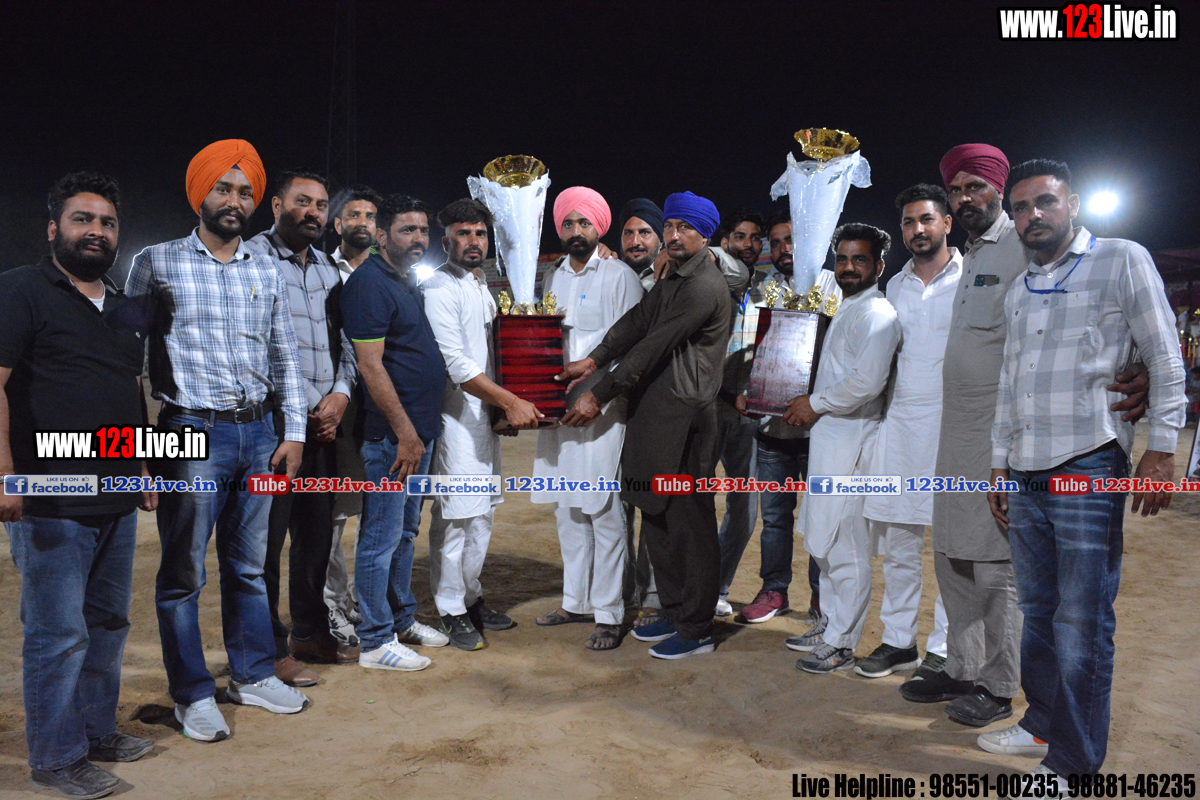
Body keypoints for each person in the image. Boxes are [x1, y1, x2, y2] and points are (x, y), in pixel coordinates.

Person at [987, 159, 1185, 782]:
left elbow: (1164, 355)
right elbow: (1009, 382)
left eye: (1045, 202)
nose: (1032, 216)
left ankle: (1073, 766)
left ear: (1072, 203)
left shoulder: (1121, 259)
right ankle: (1041, 723)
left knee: (1082, 621)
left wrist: (1162, 447)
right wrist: (998, 464)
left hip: (1090, 463)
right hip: (1025, 470)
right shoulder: (1020, 288)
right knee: (1039, 611)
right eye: (1021, 208)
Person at [126, 139, 310, 742]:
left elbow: (283, 354)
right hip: (188, 431)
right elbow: (129, 364)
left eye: (245, 192)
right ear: (199, 194)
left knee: (249, 566)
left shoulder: (265, 267)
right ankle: (192, 693)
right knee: (184, 573)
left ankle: (251, 675)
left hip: (259, 433)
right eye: (223, 189)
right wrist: (138, 452)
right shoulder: (156, 262)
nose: (235, 201)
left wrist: (293, 432)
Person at [0, 173, 155, 799]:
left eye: (107, 223)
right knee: (58, 633)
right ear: (53, 229)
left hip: (115, 492)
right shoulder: (20, 290)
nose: (96, 231)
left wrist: (143, 465)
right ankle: (56, 757)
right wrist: (5, 475)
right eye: (82, 219)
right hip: (51, 497)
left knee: (108, 622)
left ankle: (95, 731)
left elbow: (128, 392)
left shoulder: (123, 306)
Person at [558, 191, 731, 660]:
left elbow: (651, 348)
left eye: (684, 228)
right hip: (655, 417)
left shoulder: (703, 285)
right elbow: (637, 321)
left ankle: (696, 629)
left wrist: (598, 393)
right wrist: (594, 359)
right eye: (669, 226)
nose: (673, 235)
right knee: (657, 516)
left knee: (689, 524)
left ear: (705, 234)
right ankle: (674, 612)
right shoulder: (675, 276)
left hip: (686, 421)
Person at [245, 170, 359, 687]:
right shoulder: (250, 259)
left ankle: (308, 632)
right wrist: (316, 404)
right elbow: (258, 345)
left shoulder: (330, 270)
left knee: (315, 538)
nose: (313, 212)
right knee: (264, 545)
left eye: (320, 204)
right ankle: (266, 647)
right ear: (276, 205)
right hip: (273, 429)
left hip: (324, 429)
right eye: (302, 201)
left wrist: (341, 394)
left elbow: (345, 343)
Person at [422, 198, 541, 650]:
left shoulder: (480, 285)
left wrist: (499, 410)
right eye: (464, 233)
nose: (474, 241)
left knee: (482, 515)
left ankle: (471, 598)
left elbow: (495, 358)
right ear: (445, 240)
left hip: (483, 420)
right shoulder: (439, 288)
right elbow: (455, 364)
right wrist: (509, 402)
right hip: (455, 422)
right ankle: (450, 608)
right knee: (456, 518)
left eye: (480, 233)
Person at [341, 193, 450, 671]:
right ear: (382, 236)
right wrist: (405, 433)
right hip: (391, 438)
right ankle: (374, 640)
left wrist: (417, 435)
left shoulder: (404, 281)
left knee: (405, 532)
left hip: (416, 436)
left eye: (423, 229)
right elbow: (370, 366)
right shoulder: (369, 284)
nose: (418, 238)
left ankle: (401, 619)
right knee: (380, 537)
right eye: (407, 230)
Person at [785, 224, 901, 674]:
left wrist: (813, 404)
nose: (849, 267)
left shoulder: (878, 314)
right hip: (829, 441)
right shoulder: (848, 307)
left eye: (860, 260)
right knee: (824, 544)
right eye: (843, 259)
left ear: (879, 266)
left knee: (846, 547)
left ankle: (842, 643)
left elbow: (866, 384)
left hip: (854, 446)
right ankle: (830, 625)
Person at [532, 187, 643, 650]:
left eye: (584, 222)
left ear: (599, 226)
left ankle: (610, 613)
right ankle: (575, 601)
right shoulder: (552, 276)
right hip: (559, 410)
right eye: (567, 223)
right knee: (567, 509)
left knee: (603, 511)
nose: (575, 231)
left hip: (602, 412)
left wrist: (597, 397)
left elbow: (631, 348)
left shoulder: (620, 276)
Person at [856, 185, 958, 681]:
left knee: (951, 548)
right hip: (898, 429)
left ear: (946, 224)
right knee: (899, 546)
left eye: (926, 219)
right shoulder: (892, 287)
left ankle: (945, 647)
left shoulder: (972, 278)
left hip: (954, 430)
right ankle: (898, 642)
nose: (917, 229)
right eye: (908, 222)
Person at [732, 213, 840, 629]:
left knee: (821, 519)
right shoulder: (764, 289)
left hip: (821, 431)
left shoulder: (834, 284)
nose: (783, 249)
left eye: (790, 239)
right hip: (771, 431)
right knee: (775, 520)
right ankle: (774, 590)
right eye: (775, 243)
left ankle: (821, 594)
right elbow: (752, 350)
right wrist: (747, 391)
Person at [326, 185, 383, 646]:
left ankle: (370, 601)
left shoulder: (390, 275)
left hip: (382, 409)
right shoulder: (321, 272)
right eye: (353, 214)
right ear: (337, 223)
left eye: (370, 216)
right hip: (338, 407)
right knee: (333, 514)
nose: (362, 222)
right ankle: (332, 603)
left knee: (380, 511)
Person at [711, 209, 765, 619]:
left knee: (745, 510)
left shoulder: (766, 291)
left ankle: (716, 586)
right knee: (689, 501)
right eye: (741, 236)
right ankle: (675, 590)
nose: (749, 244)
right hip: (706, 409)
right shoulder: (707, 283)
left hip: (749, 414)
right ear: (725, 240)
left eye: (756, 238)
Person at [616, 198, 664, 627]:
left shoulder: (670, 279)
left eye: (644, 232)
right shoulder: (610, 275)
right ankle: (622, 592)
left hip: (655, 408)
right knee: (616, 506)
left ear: (660, 239)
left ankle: (652, 594)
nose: (635, 241)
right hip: (614, 409)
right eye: (628, 233)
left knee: (651, 503)